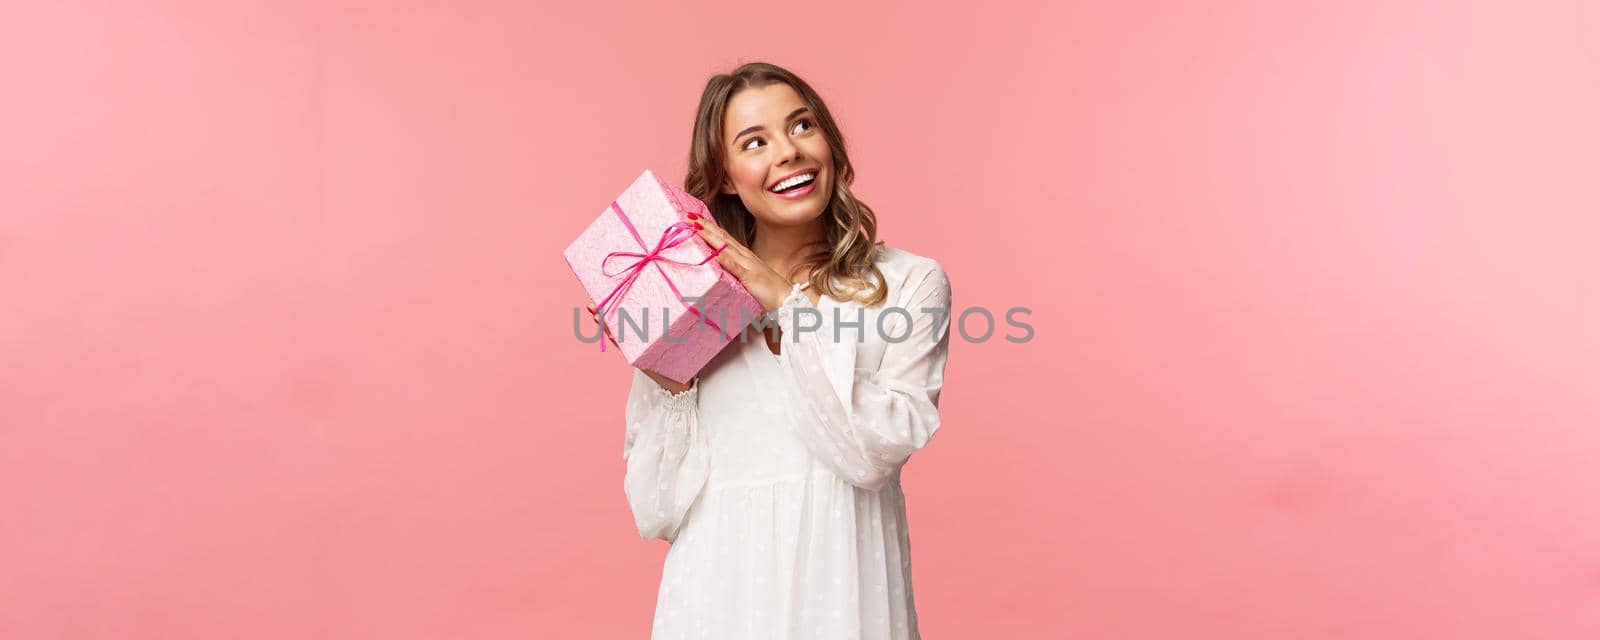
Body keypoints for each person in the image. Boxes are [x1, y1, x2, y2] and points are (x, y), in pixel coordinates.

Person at [584, 61, 952, 639]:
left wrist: (787, 304)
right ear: (726, 177)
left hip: (843, 592)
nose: (788, 152)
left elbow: (871, 457)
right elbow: (656, 510)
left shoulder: (908, 284)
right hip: (717, 597)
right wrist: (671, 383)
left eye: (802, 126)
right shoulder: (690, 300)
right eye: (755, 142)